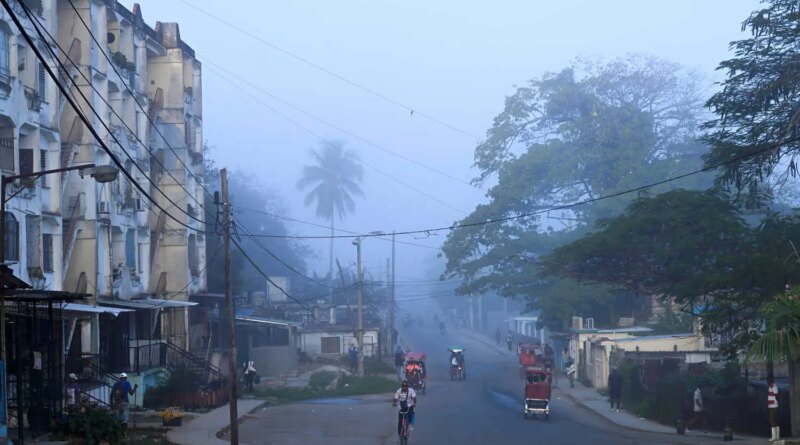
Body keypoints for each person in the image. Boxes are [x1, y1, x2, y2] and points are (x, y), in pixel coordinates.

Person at [768, 374, 780, 441]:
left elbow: (777, 396)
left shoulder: (774, 386)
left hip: (773, 406)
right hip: (771, 405)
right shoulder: (770, 387)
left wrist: (775, 402)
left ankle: (774, 437)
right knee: (774, 420)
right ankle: (777, 436)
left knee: (772, 421)